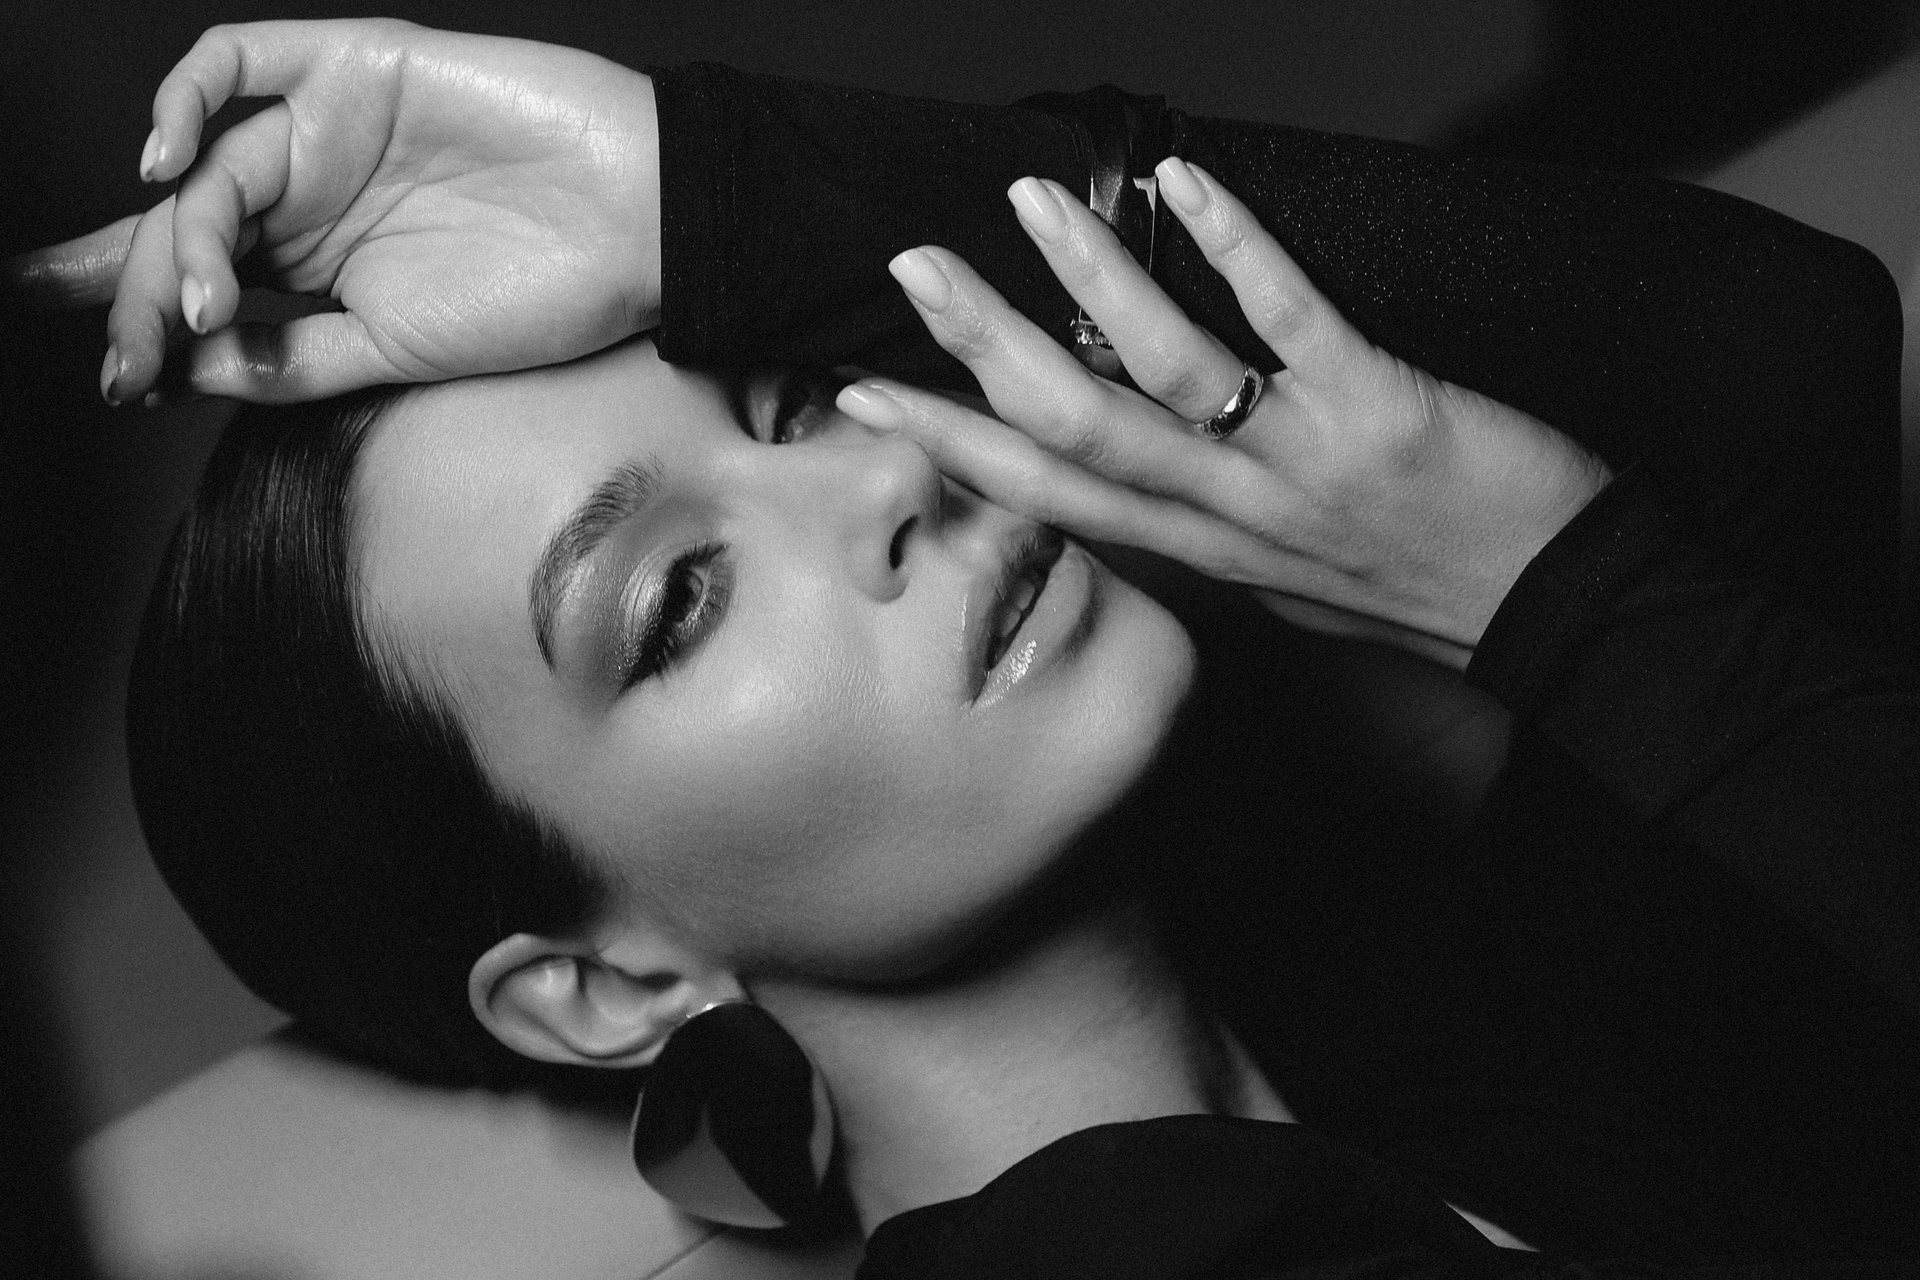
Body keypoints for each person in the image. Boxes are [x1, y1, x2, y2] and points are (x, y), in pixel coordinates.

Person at [22, 19, 1918, 1277]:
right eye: (677, 602)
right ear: (604, 987)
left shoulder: (1440, 1059)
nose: (888, 476)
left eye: (792, 406)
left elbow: (1778, 364)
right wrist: (1546, 596)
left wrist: (707, 192)